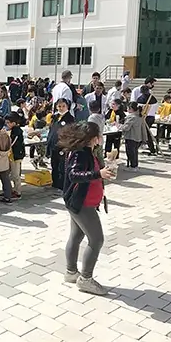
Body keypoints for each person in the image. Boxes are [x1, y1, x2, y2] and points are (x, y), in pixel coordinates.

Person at [60, 121, 113, 295]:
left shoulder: (87, 151)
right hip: (82, 204)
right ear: (93, 138)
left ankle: (71, 272)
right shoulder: (80, 153)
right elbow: (74, 174)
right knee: (96, 240)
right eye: (99, 135)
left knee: (76, 236)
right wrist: (98, 174)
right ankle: (85, 279)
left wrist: (103, 171)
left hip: (81, 202)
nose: (100, 138)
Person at [47, 98, 76, 191]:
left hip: (63, 147)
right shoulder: (55, 117)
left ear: (67, 107)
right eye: (59, 106)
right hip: (54, 145)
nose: (61, 108)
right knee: (54, 165)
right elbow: (51, 131)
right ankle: (55, 183)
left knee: (62, 167)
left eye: (63, 106)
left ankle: (62, 185)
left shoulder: (70, 118)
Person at [121, 102, 145, 171]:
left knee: (130, 152)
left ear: (131, 109)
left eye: (128, 108)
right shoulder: (139, 116)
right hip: (138, 137)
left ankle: (133, 166)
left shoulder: (131, 117)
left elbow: (126, 128)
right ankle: (135, 166)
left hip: (131, 136)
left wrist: (119, 126)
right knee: (135, 152)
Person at [6, 112, 25, 199]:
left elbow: (12, 143)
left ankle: (18, 192)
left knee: (16, 175)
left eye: (8, 123)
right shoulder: (14, 129)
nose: (7, 124)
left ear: (13, 123)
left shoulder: (16, 131)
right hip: (14, 155)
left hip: (17, 155)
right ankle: (14, 189)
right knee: (13, 174)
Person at [87, 100, 105, 168]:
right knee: (100, 156)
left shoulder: (91, 118)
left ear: (89, 108)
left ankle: (95, 169)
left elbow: (91, 129)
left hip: (94, 140)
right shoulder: (101, 117)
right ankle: (103, 168)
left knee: (93, 156)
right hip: (100, 138)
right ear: (99, 109)